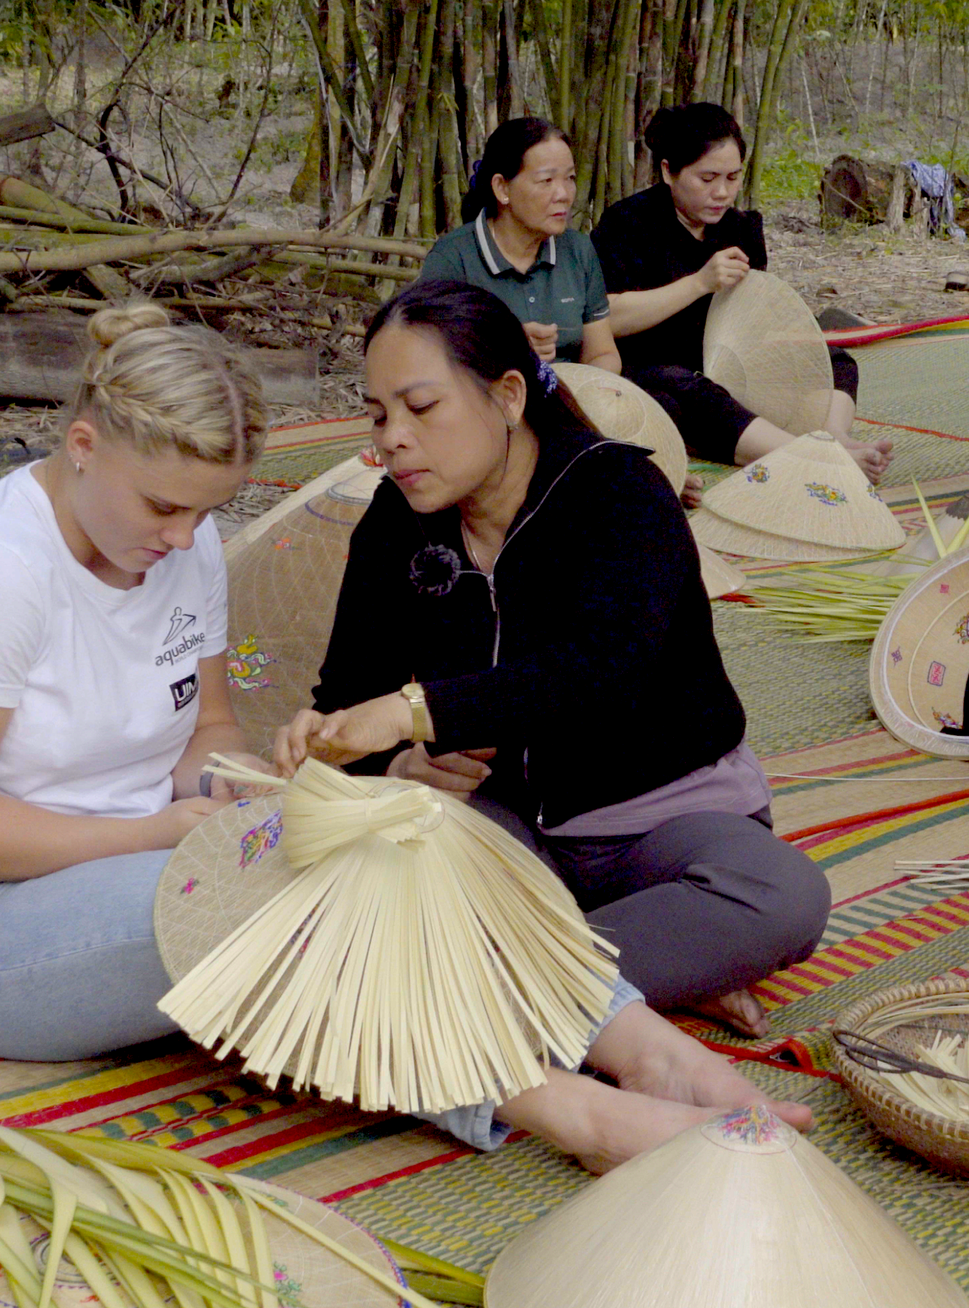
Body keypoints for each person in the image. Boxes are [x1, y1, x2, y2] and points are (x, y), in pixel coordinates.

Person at [0, 303, 800, 1173]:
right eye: (163, 507)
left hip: (161, 851)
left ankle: (642, 1046)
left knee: (377, 844)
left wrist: (246, 789)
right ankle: (571, 1111)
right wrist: (174, 832)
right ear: (82, 447)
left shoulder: (184, 546)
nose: (186, 536)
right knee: (296, 896)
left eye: (204, 512)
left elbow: (210, 730)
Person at [278, 278, 831, 1049]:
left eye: (422, 407)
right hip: (504, 830)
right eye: (378, 414)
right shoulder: (392, 524)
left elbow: (603, 669)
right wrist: (389, 764)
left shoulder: (618, 492)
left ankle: (532, 982)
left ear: (507, 395)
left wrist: (414, 711)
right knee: (365, 867)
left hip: (662, 824)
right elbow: (348, 694)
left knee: (784, 893)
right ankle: (639, 980)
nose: (393, 437)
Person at [591, 103, 892, 481]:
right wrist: (698, 283)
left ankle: (833, 437)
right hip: (655, 368)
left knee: (831, 359)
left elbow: (755, 315)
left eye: (732, 178)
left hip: (732, 359)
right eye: (707, 178)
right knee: (689, 393)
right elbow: (605, 318)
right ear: (669, 171)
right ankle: (809, 457)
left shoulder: (740, 228)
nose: (722, 192)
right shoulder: (627, 224)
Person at [419, 118, 623, 374]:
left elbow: (602, 353)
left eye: (570, 177)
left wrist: (588, 396)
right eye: (546, 181)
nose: (564, 194)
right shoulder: (453, 260)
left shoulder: (578, 251)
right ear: (502, 188)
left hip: (568, 400)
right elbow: (427, 361)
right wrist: (506, 349)